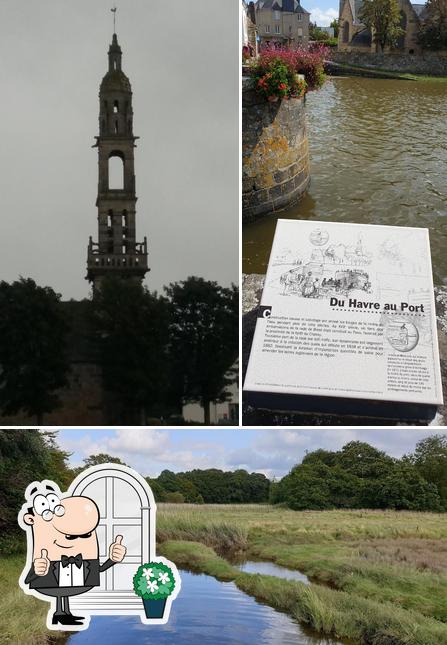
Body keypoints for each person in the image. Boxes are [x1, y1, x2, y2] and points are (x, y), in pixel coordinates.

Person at [19, 481, 126, 627]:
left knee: (64, 591)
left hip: (73, 580)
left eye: (86, 535)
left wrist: (113, 559)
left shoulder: (84, 559)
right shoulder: (44, 557)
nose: (75, 540)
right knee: (59, 591)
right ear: (31, 519)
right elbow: (27, 580)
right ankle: (59, 613)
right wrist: (37, 571)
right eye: (70, 536)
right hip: (51, 578)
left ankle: (64, 614)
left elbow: (98, 569)